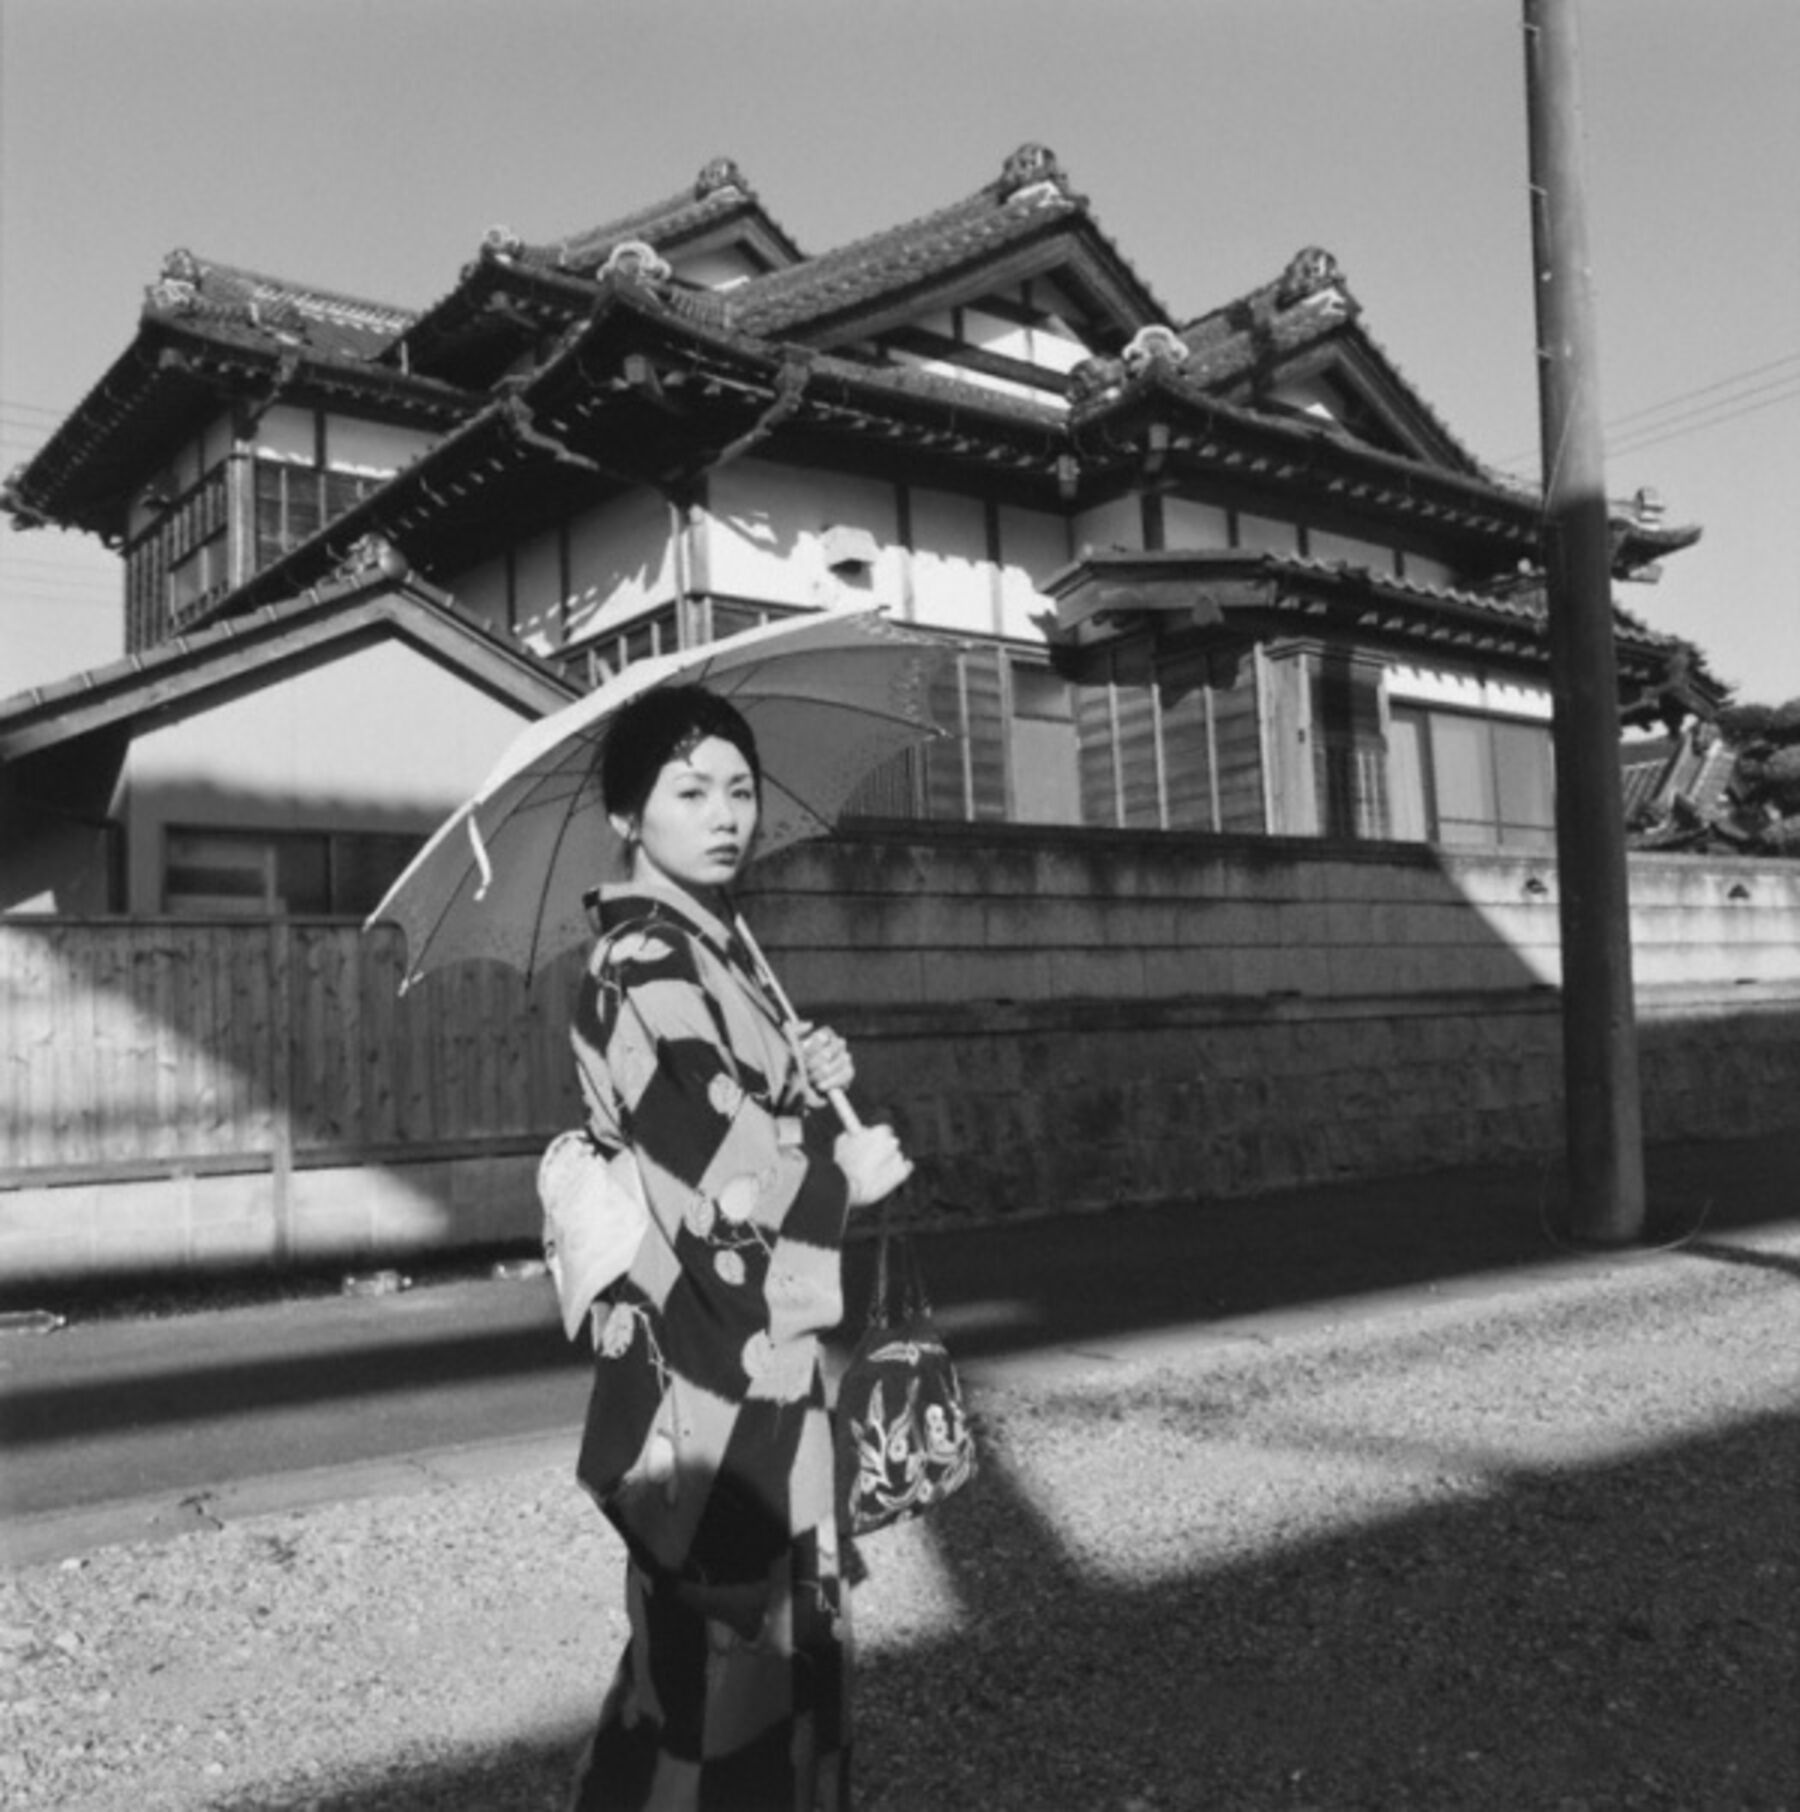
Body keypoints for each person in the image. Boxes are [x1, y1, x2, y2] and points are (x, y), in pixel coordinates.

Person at [565, 683, 913, 1812]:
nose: (724, 815)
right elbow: (717, 1168)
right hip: (709, 1378)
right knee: (723, 1686)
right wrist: (838, 1174)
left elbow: (744, 1117)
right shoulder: (646, 964)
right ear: (627, 816)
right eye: (689, 791)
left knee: (721, 1672)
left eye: (739, 791)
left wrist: (806, 1079)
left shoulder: (708, 950)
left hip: (743, 1363)